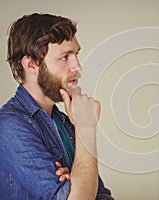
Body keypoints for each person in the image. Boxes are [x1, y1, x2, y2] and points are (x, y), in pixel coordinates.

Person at [0, 13, 114, 200]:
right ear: (31, 64)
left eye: (76, 54)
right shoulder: (9, 127)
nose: (77, 66)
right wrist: (86, 129)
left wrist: (77, 183)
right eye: (65, 57)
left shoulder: (64, 121)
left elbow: (100, 195)